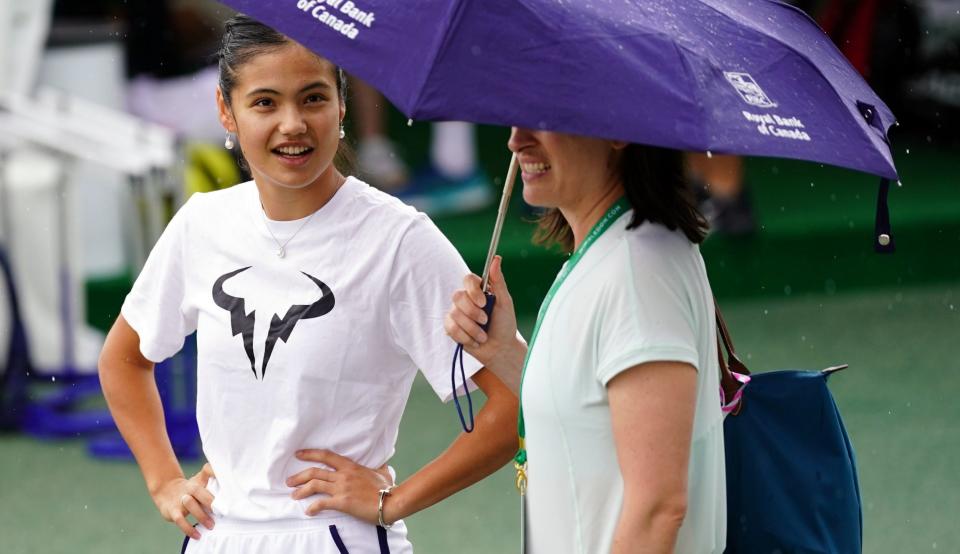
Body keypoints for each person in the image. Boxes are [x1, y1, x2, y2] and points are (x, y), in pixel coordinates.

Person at [98, 15, 517, 554]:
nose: (292, 124)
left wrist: (396, 500)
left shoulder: (399, 239)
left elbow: (513, 402)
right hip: (217, 537)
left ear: (342, 107)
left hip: (338, 536)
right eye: (265, 102)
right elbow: (124, 359)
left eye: (313, 98)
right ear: (227, 111)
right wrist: (163, 481)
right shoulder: (202, 224)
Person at [445, 129, 727, 553]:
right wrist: (503, 350)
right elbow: (591, 413)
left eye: (541, 118)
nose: (516, 140)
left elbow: (658, 508)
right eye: (515, 119)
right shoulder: (619, 251)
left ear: (616, 131)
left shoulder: (637, 273)